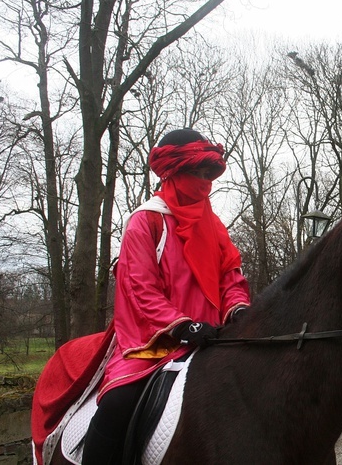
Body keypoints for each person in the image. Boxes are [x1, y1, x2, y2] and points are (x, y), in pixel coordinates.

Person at [81, 128, 251, 464]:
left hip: (212, 339)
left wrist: (238, 310)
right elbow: (139, 288)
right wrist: (182, 326)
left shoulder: (214, 225)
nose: (205, 183)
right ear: (173, 172)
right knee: (117, 405)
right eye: (198, 174)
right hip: (152, 343)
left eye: (209, 174)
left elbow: (230, 276)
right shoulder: (145, 221)